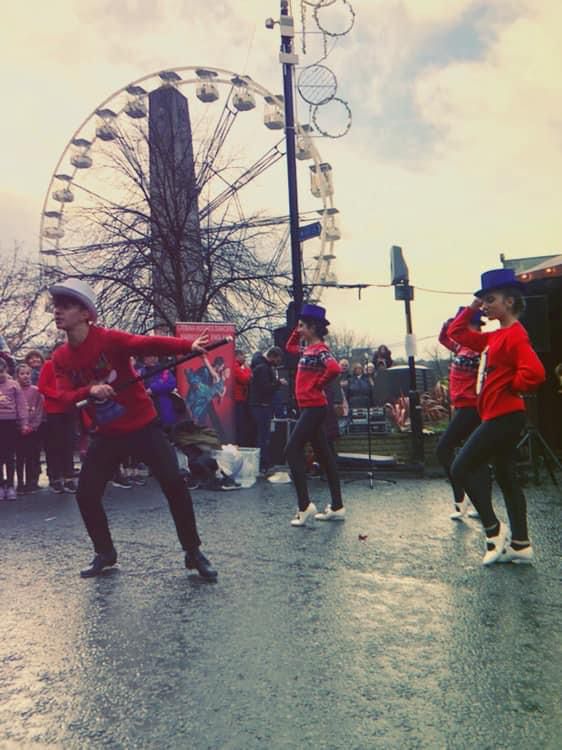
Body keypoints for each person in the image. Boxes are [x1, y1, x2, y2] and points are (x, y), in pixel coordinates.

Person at [48, 277, 217, 580]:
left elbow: (146, 343)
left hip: (142, 427)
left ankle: (193, 551)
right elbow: (61, 395)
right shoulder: (60, 357)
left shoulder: (109, 339)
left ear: (87, 313)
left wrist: (186, 346)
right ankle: (105, 552)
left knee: (174, 485)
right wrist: (90, 391)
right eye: (56, 306)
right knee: (86, 495)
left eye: (66, 306)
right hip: (107, 434)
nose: (57, 311)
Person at [449, 269, 545, 565]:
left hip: (504, 416)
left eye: (491, 300)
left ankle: (494, 530)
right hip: (499, 415)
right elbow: (456, 333)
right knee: (506, 476)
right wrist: (473, 307)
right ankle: (520, 544)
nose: (486, 305)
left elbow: (536, 373)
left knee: (460, 467)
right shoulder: (495, 337)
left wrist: (509, 387)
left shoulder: (514, 335)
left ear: (510, 302)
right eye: (484, 301)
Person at [285, 304, 344, 526]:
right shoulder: (306, 350)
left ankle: (304, 506)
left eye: (302, 326)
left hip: (314, 407)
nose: (298, 330)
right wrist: (297, 328)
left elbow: (335, 369)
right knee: (325, 457)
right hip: (310, 407)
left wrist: (317, 386)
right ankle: (337, 506)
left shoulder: (320, 350)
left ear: (313, 328)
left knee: (291, 449)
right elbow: (289, 347)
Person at [436, 307, 485, 520]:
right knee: (479, 458)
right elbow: (442, 338)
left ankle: (460, 497)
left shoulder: (479, 347)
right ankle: (479, 504)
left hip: (472, 406)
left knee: (443, 449)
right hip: (463, 406)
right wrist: (448, 323)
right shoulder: (463, 346)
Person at [38, 344, 77, 494]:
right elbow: (42, 386)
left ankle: (68, 477)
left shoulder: (71, 367)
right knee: (55, 445)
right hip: (54, 410)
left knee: (68, 444)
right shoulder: (48, 365)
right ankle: (55, 478)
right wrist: (58, 395)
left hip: (69, 409)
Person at [248, 346, 284, 475]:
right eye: (278, 359)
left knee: (262, 435)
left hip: (259, 405)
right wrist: (279, 383)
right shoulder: (263, 369)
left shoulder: (260, 367)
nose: (278, 362)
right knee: (263, 436)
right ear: (273, 356)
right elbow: (266, 388)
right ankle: (264, 464)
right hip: (261, 405)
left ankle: (263, 463)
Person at [0, 355, 30, 500]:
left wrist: (24, 423)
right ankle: (0, 485)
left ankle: (11, 485)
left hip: (10, 423)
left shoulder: (13, 385)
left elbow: (21, 406)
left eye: (1, 372)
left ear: (5, 370)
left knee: (9, 456)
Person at [15, 363, 44, 495]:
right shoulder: (14, 389)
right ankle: (20, 483)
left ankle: (30, 482)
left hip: (32, 430)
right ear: (17, 375)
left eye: (27, 373)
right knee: (20, 457)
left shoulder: (36, 391)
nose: (25, 376)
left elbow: (39, 411)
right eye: (22, 373)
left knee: (31, 457)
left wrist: (33, 426)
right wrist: (20, 426)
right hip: (18, 429)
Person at [233, 349, 252, 446]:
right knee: (240, 425)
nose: (244, 358)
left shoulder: (237, 367)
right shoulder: (235, 366)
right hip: (238, 400)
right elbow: (245, 379)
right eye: (243, 356)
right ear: (237, 356)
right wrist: (248, 369)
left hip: (240, 399)